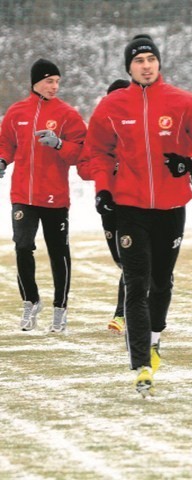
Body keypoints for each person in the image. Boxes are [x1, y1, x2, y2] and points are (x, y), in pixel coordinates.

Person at [84, 35, 192, 397]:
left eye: (150, 59)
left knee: (161, 281)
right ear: (128, 67)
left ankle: (155, 338)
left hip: (170, 208)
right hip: (129, 208)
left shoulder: (183, 102)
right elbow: (97, 152)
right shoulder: (112, 106)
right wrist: (103, 189)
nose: (145, 65)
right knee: (136, 282)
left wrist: (191, 161)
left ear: (159, 63)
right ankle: (141, 363)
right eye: (138, 60)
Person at [0, 58, 86, 333]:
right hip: (23, 194)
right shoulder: (16, 112)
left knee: (58, 252)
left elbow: (81, 152)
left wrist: (59, 144)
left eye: (57, 81)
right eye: (49, 80)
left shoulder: (67, 113)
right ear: (35, 81)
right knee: (23, 247)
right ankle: (30, 301)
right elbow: (6, 145)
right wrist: (2, 160)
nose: (54, 86)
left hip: (54, 196)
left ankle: (60, 309)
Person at [77, 78, 131, 336]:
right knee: (121, 261)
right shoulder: (99, 130)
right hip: (109, 204)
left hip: (136, 203)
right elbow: (84, 168)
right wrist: (108, 171)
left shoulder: (140, 128)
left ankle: (121, 314)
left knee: (131, 260)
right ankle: (153, 281)